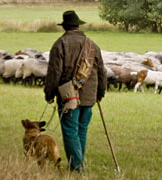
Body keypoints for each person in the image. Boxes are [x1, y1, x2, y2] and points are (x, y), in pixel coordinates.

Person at [44, 10, 106, 172]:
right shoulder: (92, 45)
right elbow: (101, 71)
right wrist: (100, 92)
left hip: (68, 95)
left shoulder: (59, 45)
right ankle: (76, 164)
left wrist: (49, 93)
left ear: (64, 27)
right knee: (81, 130)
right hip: (89, 96)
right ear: (78, 26)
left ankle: (77, 168)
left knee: (70, 130)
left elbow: (54, 72)